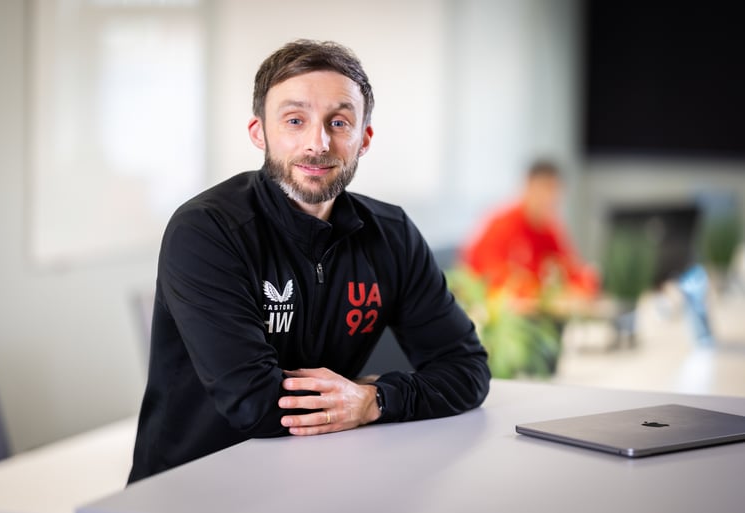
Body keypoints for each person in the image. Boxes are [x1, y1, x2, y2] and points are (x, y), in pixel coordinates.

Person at [128, 39, 491, 483]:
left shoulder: (391, 235)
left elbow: (468, 370)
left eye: (339, 122)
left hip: (319, 477)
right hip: (192, 488)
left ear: (364, 138)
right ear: (259, 132)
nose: (318, 143)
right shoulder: (206, 231)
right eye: (295, 120)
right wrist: (359, 398)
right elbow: (254, 404)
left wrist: (373, 399)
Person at [460, 160, 599, 314]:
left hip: (535, 316)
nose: (548, 198)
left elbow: (572, 271)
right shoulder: (501, 225)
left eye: (554, 191)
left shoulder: (549, 230)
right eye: (543, 189)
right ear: (528, 187)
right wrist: (539, 291)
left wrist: (583, 286)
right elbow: (486, 276)